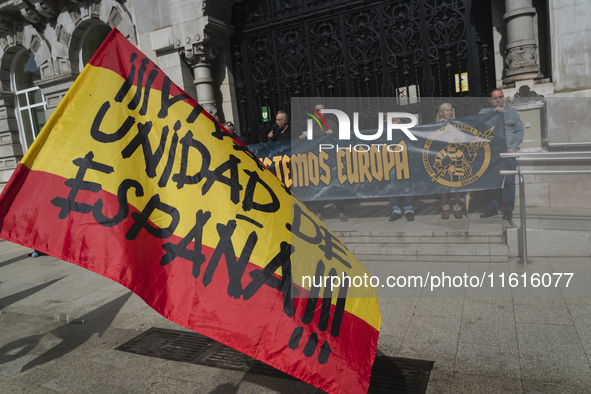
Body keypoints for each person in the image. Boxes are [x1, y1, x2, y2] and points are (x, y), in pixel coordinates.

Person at [479, 89, 524, 220]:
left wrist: (513, 148)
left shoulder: (511, 112)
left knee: (509, 182)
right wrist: (493, 115)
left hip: (508, 153)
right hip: (491, 154)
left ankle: (508, 209)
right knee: (492, 181)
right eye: (495, 98)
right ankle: (492, 208)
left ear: (503, 98)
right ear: (490, 100)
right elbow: (478, 128)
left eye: (500, 97)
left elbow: (519, 131)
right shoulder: (483, 113)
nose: (498, 100)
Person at [300, 104, 347, 222]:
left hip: (331, 159)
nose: (319, 112)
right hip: (317, 160)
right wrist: (302, 137)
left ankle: (340, 212)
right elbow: (306, 143)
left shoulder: (332, 124)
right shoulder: (311, 126)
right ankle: (320, 212)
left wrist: (334, 133)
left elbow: (342, 139)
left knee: (336, 185)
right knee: (318, 186)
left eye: (321, 110)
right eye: (316, 110)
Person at [436, 102, 463, 219]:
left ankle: (457, 206)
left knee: (457, 182)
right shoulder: (435, 126)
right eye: (447, 110)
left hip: (456, 156)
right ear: (441, 113)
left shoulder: (457, 124)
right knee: (443, 183)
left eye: (451, 110)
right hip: (443, 157)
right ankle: (445, 207)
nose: (449, 112)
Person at [387, 112, 414, 222]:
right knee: (393, 185)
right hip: (389, 160)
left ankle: (408, 210)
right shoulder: (384, 125)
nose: (385, 115)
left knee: (407, 184)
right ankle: (396, 210)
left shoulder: (406, 123)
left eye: (387, 113)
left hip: (405, 158)